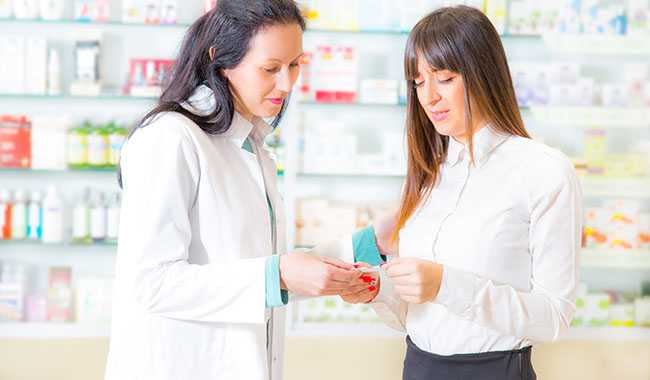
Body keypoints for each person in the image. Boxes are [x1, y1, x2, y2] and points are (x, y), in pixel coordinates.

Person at [104, 1, 372, 379]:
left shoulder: (251, 144)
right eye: (270, 68)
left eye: (295, 65)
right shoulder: (170, 138)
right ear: (222, 61)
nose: (287, 83)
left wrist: (368, 246)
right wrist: (275, 275)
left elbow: (254, 272)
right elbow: (151, 283)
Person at [346, 6, 582, 379]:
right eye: (419, 82)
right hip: (419, 365)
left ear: (483, 73)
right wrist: (379, 291)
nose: (429, 97)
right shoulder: (429, 173)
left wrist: (446, 284)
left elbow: (554, 317)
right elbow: (417, 315)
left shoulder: (544, 170)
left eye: (445, 78)